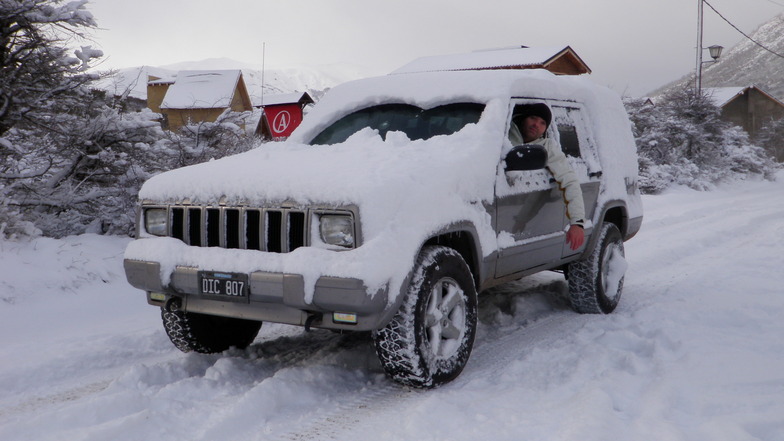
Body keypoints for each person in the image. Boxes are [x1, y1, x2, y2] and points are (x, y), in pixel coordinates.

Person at [511, 103, 585, 250]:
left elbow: (569, 181)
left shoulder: (546, 147)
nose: (536, 124)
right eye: (533, 118)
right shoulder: (503, 134)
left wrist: (577, 223)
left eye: (542, 123)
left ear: (546, 128)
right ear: (523, 119)